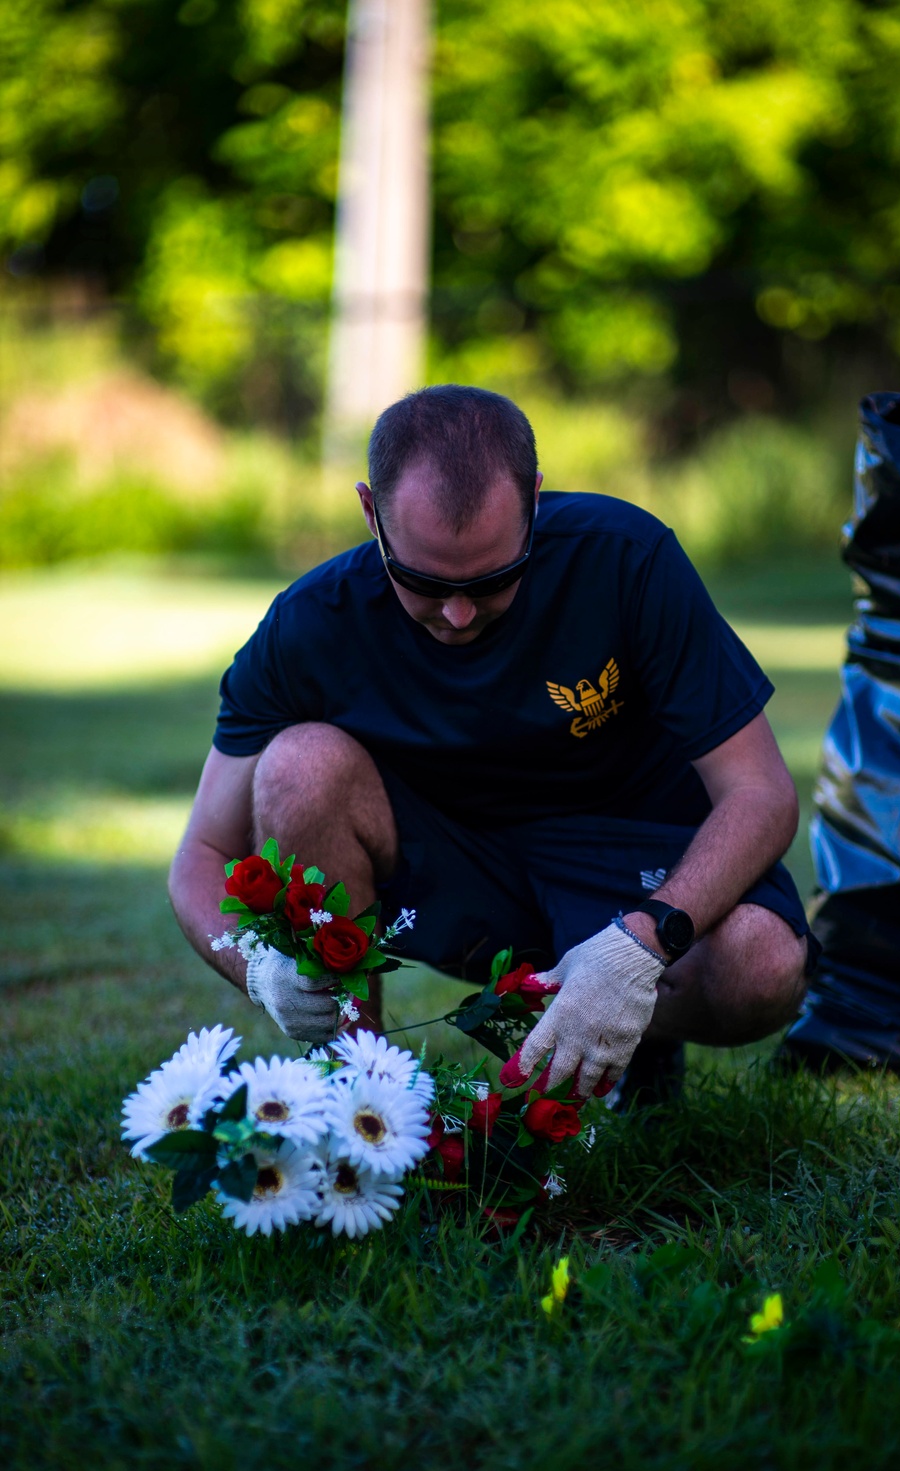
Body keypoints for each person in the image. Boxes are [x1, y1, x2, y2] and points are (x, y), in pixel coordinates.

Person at [168, 384, 817, 1105]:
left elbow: (760, 793)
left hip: (631, 856)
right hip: (456, 872)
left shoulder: (626, 559)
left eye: (494, 579)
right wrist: (261, 967)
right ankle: (369, 1103)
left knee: (761, 966)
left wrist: (640, 943)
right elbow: (201, 856)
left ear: (534, 500)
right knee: (299, 764)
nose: (457, 612)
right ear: (370, 512)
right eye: (420, 581)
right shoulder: (309, 625)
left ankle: (639, 1034)